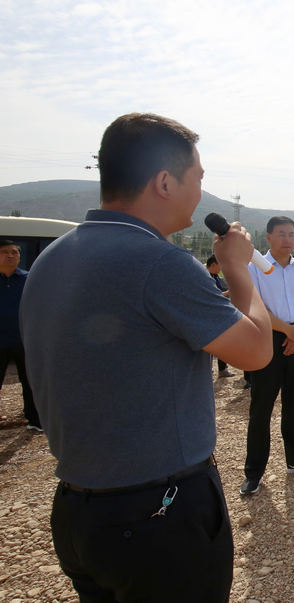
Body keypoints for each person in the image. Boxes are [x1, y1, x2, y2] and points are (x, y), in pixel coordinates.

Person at [21, 112, 272, 602]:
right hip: (159, 514)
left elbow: (218, 337)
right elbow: (257, 352)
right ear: (164, 182)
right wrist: (240, 270)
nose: (202, 193)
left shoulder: (52, 257)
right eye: (198, 178)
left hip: (79, 512)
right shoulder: (160, 263)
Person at [242, 216, 294, 496]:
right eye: (281, 234)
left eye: (291, 234)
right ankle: (254, 472)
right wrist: (287, 330)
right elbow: (254, 307)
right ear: (268, 237)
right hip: (268, 338)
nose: (287, 239)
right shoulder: (254, 268)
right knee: (261, 407)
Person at [0, 241, 40, 432]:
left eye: (14, 252)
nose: (10, 256)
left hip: (24, 340)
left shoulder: (30, 279)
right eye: (5, 252)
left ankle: (34, 420)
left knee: (30, 381)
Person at [206, 254, 234, 378]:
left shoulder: (215, 277)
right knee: (208, 346)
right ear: (213, 265)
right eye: (220, 266)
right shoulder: (204, 277)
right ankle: (207, 370)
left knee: (222, 344)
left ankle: (222, 369)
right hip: (207, 317)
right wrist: (227, 293)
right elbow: (210, 297)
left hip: (217, 315)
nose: (221, 269)